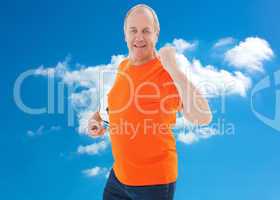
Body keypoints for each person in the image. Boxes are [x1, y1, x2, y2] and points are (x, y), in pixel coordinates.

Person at [88, 4, 212, 200]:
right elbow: (114, 103)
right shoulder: (124, 66)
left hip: (153, 185)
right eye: (133, 30)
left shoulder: (166, 73)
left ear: (156, 34)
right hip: (118, 178)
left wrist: (174, 68)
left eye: (146, 30)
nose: (139, 37)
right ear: (125, 35)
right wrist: (97, 118)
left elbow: (203, 117)